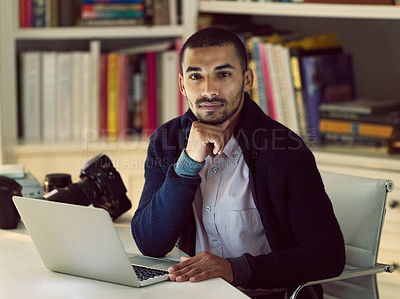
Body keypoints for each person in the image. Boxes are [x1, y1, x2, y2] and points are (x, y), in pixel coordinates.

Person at [131, 27, 345, 299]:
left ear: (246, 80)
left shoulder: (286, 151)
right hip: (194, 294)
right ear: (182, 84)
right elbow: (150, 243)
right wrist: (188, 163)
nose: (208, 90)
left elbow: (328, 255)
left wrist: (235, 269)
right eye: (196, 76)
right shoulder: (167, 140)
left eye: (223, 74)